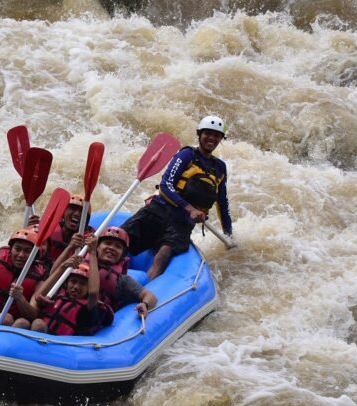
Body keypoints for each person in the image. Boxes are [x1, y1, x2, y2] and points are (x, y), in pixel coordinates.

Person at [121, 115, 233, 279]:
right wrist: (191, 209)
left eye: (217, 135)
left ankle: (144, 288)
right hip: (159, 210)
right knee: (120, 239)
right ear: (200, 134)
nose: (212, 138)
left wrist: (229, 235)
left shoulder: (220, 168)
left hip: (182, 223)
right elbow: (166, 186)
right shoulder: (187, 155)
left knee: (164, 254)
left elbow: (222, 203)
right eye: (208, 133)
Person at [27, 237, 113, 335]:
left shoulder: (89, 306)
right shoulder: (57, 295)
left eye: (82, 284)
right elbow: (39, 296)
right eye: (73, 281)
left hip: (63, 342)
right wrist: (63, 266)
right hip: (40, 336)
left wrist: (92, 253)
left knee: (38, 324)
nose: (76, 287)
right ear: (66, 283)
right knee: (22, 322)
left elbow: (93, 293)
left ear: (88, 288)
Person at [90, 226, 157, 317]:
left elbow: (150, 296)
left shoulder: (123, 280)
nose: (112, 248)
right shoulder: (80, 264)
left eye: (118, 246)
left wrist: (145, 304)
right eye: (107, 243)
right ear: (97, 247)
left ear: (123, 254)